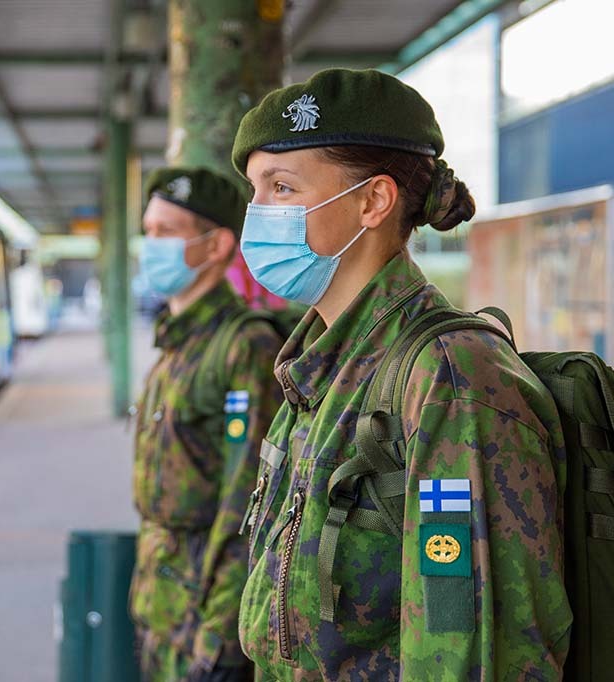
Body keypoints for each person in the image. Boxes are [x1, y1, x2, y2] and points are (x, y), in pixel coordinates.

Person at [232, 68, 571, 679]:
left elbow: (472, 649)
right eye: (255, 192)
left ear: (373, 201)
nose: (257, 215)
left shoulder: (448, 375)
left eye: (281, 188)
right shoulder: (317, 369)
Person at [130, 167, 285, 682]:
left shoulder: (244, 346)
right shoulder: (173, 344)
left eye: (166, 233)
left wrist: (219, 639)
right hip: (159, 608)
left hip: (204, 624)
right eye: (148, 231)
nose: (150, 245)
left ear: (217, 246)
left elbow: (249, 502)